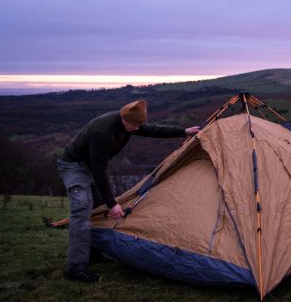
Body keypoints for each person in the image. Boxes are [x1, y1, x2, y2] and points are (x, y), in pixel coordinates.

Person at [56, 99, 200, 282]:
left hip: (90, 166)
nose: (136, 129)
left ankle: (94, 253)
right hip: (74, 166)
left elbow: (152, 130)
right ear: (124, 119)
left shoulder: (130, 123)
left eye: (139, 125)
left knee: (98, 210)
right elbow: (99, 171)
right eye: (134, 125)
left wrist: (183, 132)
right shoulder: (103, 133)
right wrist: (112, 203)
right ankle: (76, 267)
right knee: (82, 209)